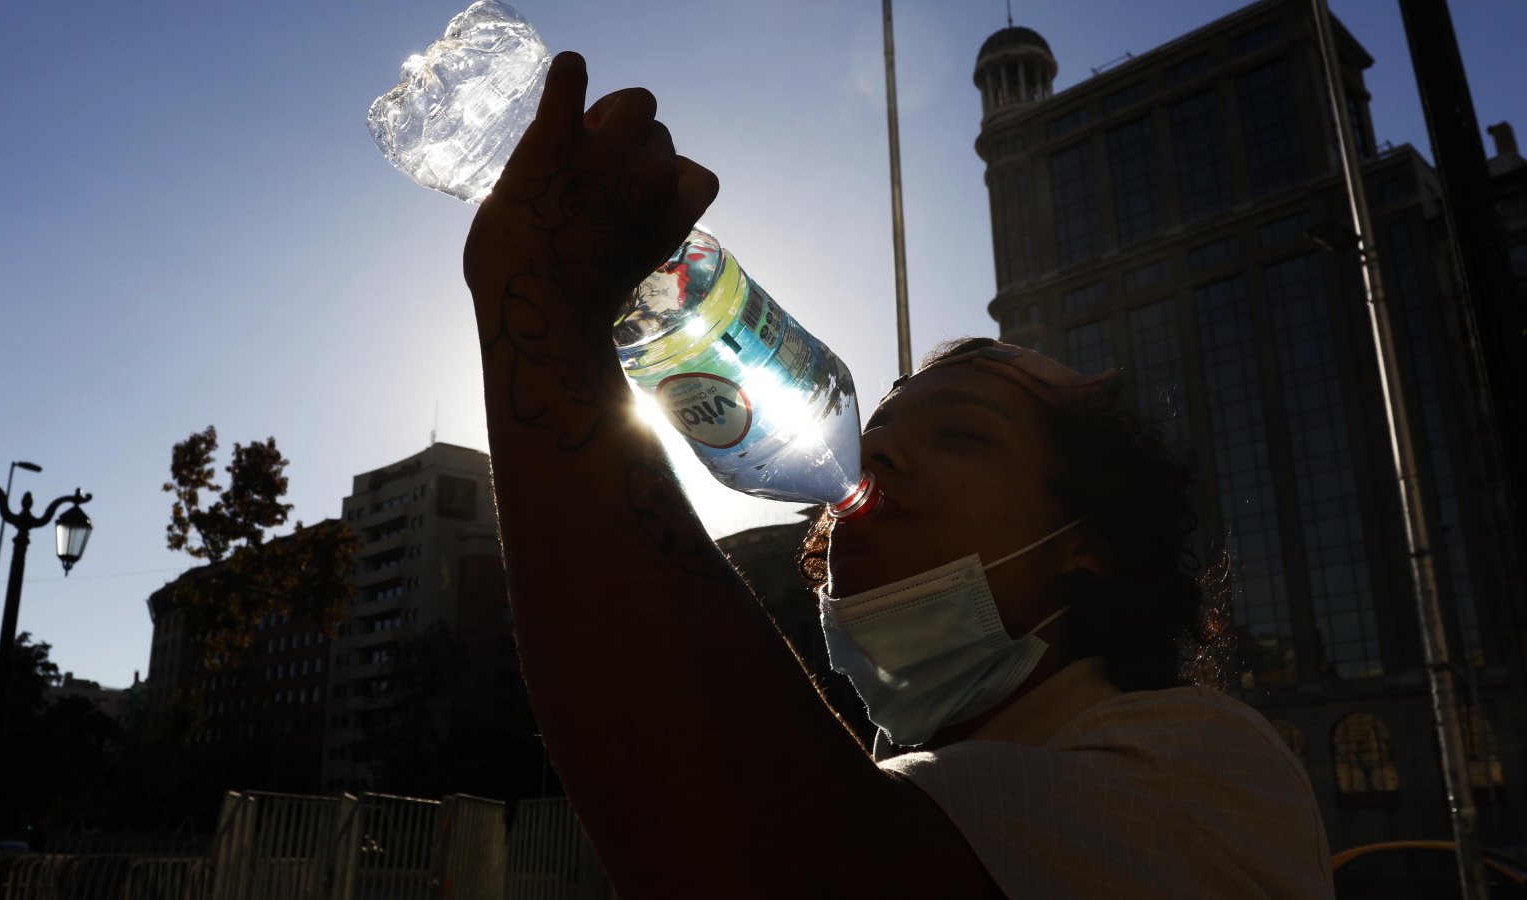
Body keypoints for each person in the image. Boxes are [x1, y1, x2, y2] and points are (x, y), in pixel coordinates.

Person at [462, 51, 1333, 899]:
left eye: (962, 434)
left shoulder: (1208, 765)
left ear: (1093, 541)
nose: (873, 454)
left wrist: (544, 311)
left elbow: (773, 861)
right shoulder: (923, 778)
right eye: (875, 429)